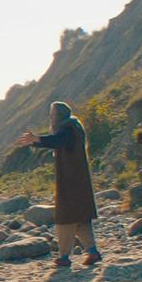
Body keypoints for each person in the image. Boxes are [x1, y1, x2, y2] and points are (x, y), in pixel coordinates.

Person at [16, 101, 102, 268]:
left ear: (59, 115)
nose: (51, 117)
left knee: (66, 218)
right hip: (77, 179)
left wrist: (37, 139)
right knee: (81, 218)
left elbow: (59, 140)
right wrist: (36, 141)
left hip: (71, 181)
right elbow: (58, 141)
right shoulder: (73, 126)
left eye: (53, 114)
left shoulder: (69, 128)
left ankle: (64, 256)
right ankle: (92, 252)